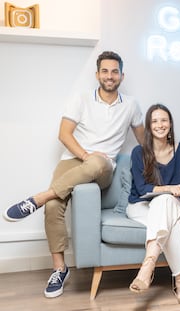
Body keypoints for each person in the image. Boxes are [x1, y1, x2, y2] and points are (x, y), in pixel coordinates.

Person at [3, 51, 145, 298]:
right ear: (97, 74)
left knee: (98, 163)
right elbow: (64, 134)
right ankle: (59, 268)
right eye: (105, 71)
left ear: (122, 75)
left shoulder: (131, 105)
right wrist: (86, 154)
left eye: (114, 71)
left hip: (103, 167)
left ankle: (36, 198)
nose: (109, 76)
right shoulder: (81, 99)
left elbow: (145, 141)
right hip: (73, 160)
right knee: (53, 207)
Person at [126, 104, 180, 307]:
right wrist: (169, 188)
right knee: (172, 225)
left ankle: (148, 265)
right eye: (155, 121)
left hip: (172, 203)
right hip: (140, 206)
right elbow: (142, 189)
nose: (160, 125)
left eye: (164, 120)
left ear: (170, 124)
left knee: (165, 201)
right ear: (149, 126)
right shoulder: (139, 152)